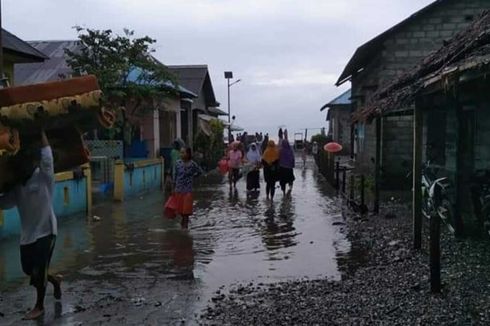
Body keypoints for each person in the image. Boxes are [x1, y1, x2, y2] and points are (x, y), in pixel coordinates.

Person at [0, 130, 61, 320]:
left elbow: (48, 157)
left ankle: (39, 306)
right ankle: (55, 281)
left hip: (47, 230)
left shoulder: (44, 177)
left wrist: (40, 131)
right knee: (29, 270)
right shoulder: (18, 186)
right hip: (28, 234)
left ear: (31, 162)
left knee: (38, 270)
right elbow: (6, 203)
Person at [173, 147, 203, 229]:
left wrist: (193, 176)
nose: (181, 154)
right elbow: (175, 175)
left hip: (188, 190)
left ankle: (185, 230)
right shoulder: (177, 163)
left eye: (183, 153)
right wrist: (173, 187)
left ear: (188, 154)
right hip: (179, 190)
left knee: (186, 212)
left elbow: (200, 172)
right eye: (181, 153)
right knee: (181, 212)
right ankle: (183, 226)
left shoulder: (192, 164)